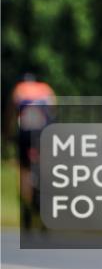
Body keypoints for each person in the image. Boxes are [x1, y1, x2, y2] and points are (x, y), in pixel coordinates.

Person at [10, 73, 57, 231]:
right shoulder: (46, 89)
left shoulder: (20, 89)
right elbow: (53, 113)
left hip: (25, 134)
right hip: (43, 133)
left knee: (24, 170)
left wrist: (8, 135)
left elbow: (11, 114)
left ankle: (27, 208)